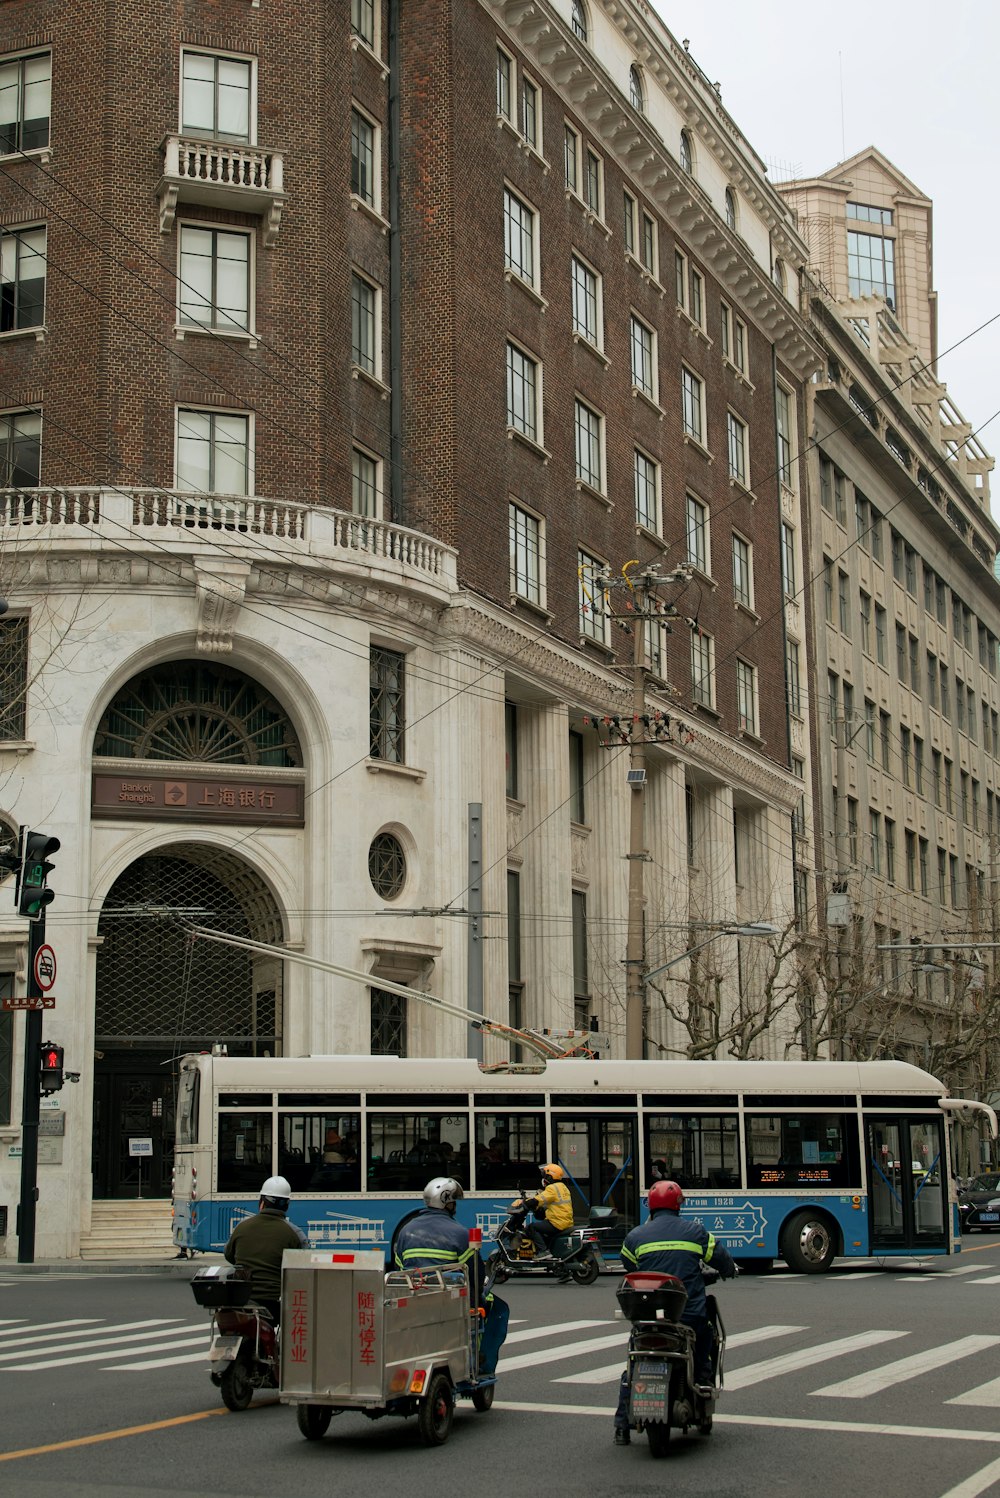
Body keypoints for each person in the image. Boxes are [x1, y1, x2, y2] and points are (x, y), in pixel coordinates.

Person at [612, 1179, 736, 1446]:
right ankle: (702, 1382)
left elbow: (630, 1266)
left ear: (651, 1207)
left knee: (633, 1362)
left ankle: (622, 1427)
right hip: (686, 1316)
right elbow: (721, 1259)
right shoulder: (696, 1232)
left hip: (646, 1317)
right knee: (706, 1336)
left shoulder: (634, 1237)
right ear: (678, 1206)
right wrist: (729, 1270)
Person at [393, 1176, 509, 1375]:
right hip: (449, 1301)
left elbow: (398, 1269)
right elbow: (474, 1273)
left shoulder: (405, 1231)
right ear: (446, 1202)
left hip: (414, 1299)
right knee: (498, 1309)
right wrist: (475, 1301)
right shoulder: (459, 1232)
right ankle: (481, 1364)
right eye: (453, 1201)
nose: (455, 1205)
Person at [224, 1175, 307, 1326]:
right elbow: (304, 1267)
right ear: (287, 1205)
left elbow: (229, 1255)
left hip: (242, 1300)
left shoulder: (241, 1227)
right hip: (274, 1304)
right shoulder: (295, 1234)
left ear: (261, 1202)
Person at [515, 1163, 575, 1276]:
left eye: (544, 1176)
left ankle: (543, 1252)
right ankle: (562, 1271)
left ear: (549, 1177)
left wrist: (527, 1203)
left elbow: (539, 1199)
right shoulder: (563, 1187)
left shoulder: (552, 1188)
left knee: (532, 1227)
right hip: (565, 1221)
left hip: (557, 1222)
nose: (543, 1179)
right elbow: (549, 1203)